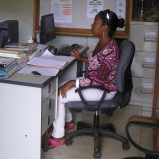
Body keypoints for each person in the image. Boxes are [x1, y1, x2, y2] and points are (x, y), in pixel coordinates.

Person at [48, 9, 125, 149]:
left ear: (105, 28)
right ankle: (69, 121)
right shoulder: (103, 41)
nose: (91, 26)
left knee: (60, 94)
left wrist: (73, 82)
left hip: (103, 89)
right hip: (95, 83)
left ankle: (58, 136)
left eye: (95, 23)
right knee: (60, 85)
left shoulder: (110, 50)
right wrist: (80, 58)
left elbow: (100, 80)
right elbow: (96, 63)